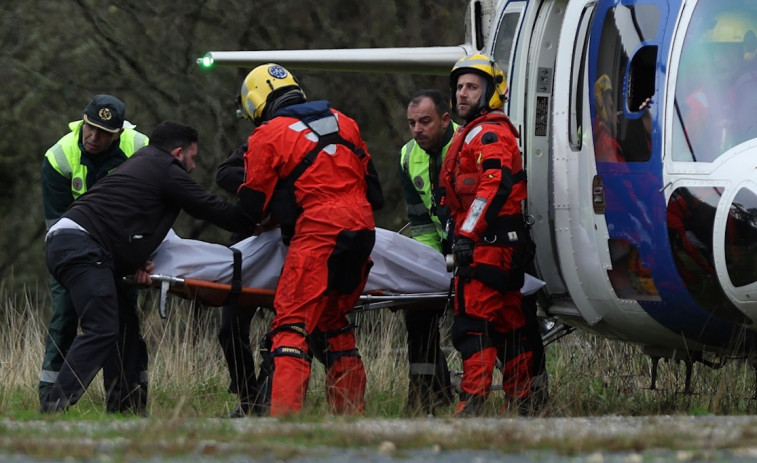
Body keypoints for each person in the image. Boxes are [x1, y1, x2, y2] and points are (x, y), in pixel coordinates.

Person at [40, 121, 254, 413]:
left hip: (79, 243)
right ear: (178, 153)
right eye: (192, 158)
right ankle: (53, 408)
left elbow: (123, 221)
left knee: (124, 327)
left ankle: (126, 411)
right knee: (101, 328)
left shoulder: (142, 163)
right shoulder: (165, 168)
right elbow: (211, 207)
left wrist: (134, 261)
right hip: (81, 245)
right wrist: (257, 218)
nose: (192, 166)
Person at [236, 63, 384, 416]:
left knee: (291, 324)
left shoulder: (269, 134)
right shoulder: (344, 121)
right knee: (334, 322)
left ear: (256, 103)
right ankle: (350, 416)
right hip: (361, 232)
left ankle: (284, 418)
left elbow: (251, 205)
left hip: (320, 233)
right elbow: (375, 194)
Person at [440, 54, 542, 416]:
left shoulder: (488, 133)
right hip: (502, 247)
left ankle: (473, 404)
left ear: (491, 92)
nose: (462, 94)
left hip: (488, 248)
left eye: (472, 87)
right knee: (511, 325)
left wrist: (467, 234)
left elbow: (493, 185)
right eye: (459, 87)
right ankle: (523, 402)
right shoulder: (480, 132)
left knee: (474, 325)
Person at [39, 94, 150, 414]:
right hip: (74, 250)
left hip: (124, 249)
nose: (93, 137)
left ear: (118, 133)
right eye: (90, 128)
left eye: (103, 132)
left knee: (125, 319)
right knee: (65, 315)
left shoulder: (141, 149)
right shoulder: (59, 157)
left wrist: (141, 254)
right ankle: (49, 400)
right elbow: (55, 226)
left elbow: (150, 208)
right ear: (82, 121)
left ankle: (129, 402)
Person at [398, 89, 458, 415]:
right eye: (412, 123)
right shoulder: (408, 156)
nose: (418, 129)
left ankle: (525, 400)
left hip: (478, 244)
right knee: (417, 311)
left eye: (425, 121)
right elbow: (420, 222)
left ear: (445, 119)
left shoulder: (467, 144)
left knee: (472, 324)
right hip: (437, 244)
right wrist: (429, 269)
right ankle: (427, 395)